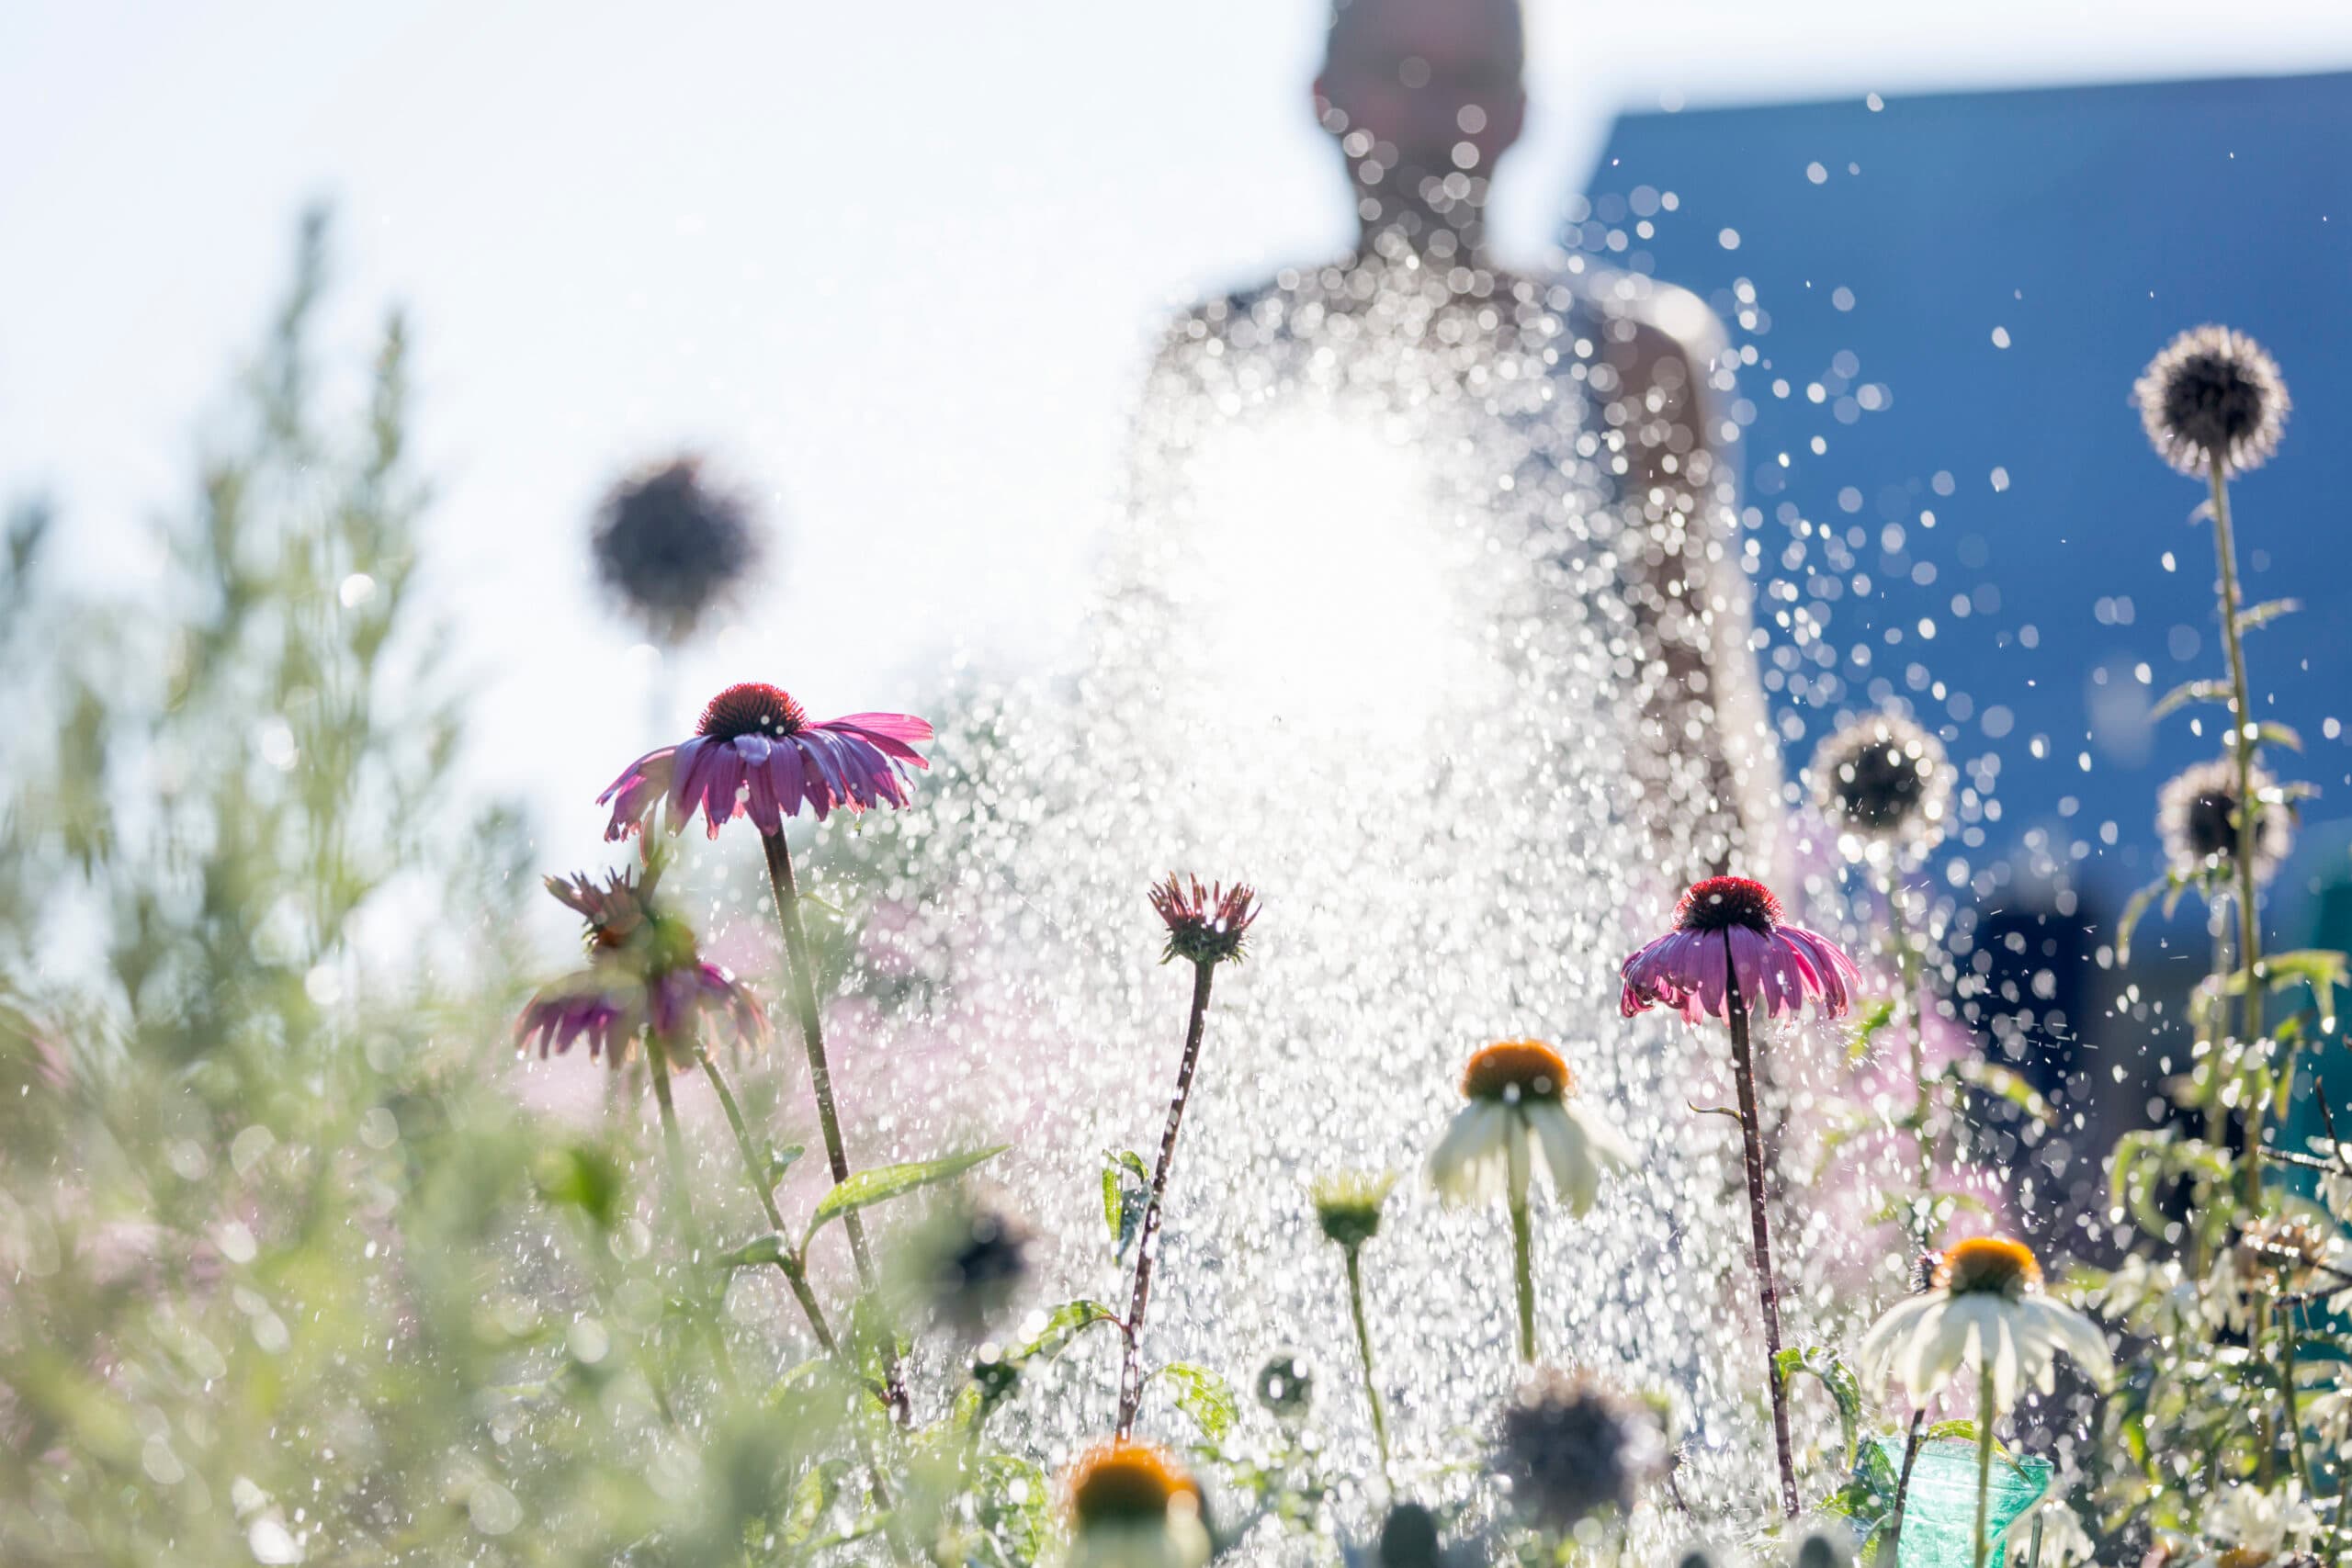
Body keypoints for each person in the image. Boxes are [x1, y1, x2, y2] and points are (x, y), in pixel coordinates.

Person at [1129, 0, 1772, 877]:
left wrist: (1736, 965)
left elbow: (1690, 706)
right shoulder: (1217, 355)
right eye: (1398, 72)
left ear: (1520, 113)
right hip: (1277, 915)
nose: (1435, 119)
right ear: (1326, 99)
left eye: (1471, 80)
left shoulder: (1632, 363)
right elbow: (1148, 703)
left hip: (1568, 954)